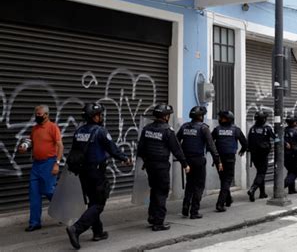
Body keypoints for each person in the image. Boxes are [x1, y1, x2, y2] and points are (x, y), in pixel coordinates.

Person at [66, 103, 131, 249]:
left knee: (93, 202)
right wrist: (125, 158)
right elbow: (112, 148)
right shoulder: (100, 131)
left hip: (83, 172)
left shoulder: (79, 131)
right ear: (94, 117)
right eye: (99, 115)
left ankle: (98, 232)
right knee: (99, 204)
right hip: (96, 172)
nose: (101, 117)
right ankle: (76, 228)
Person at [136, 104, 189, 232]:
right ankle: (158, 222)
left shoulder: (147, 128)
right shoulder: (167, 130)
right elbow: (176, 149)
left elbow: (140, 148)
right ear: (165, 116)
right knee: (161, 192)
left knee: (154, 190)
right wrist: (185, 164)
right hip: (161, 166)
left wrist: (146, 160)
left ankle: (152, 216)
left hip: (150, 165)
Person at [18, 105, 63, 232]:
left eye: (39, 114)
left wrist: (57, 163)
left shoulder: (53, 127)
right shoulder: (35, 129)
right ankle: (34, 223)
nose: (37, 116)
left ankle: (63, 210)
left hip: (49, 163)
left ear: (46, 115)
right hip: (36, 165)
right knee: (34, 194)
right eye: (36, 114)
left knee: (49, 190)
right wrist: (24, 147)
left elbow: (60, 146)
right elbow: (31, 143)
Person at [177, 106, 221, 219]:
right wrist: (218, 161)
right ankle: (194, 211)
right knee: (199, 186)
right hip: (198, 160)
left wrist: (182, 158)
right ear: (201, 116)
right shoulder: (204, 128)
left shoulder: (184, 127)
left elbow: (176, 142)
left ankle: (185, 208)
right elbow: (211, 146)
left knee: (189, 184)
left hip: (187, 161)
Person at [212, 110, 247, 212]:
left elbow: (210, 142)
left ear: (228, 119)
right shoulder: (235, 130)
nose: (219, 119)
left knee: (224, 179)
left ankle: (228, 199)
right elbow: (245, 143)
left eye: (222, 118)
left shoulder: (217, 129)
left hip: (219, 159)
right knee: (227, 180)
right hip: (229, 158)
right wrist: (242, 150)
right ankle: (220, 203)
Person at [247, 111, 275, 201]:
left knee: (260, 172)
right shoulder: (267, 129)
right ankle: (253, 189)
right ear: (264, 120)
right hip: (263, 155)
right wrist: (282, 141)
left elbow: (248, 141)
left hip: (254, 155)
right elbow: (275, 138)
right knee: (261, 173)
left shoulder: (252, 129)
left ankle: (262, 193)